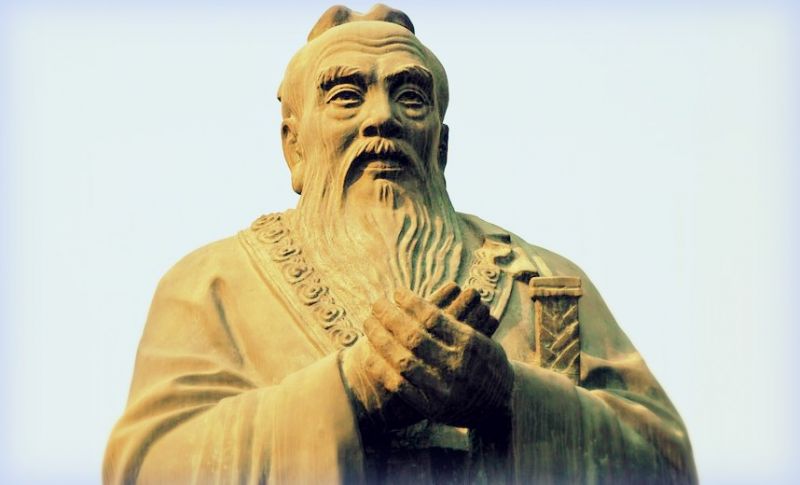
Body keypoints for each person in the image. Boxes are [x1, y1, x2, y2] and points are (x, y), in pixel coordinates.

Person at [104, 5, 697, 484]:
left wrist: (511, 396)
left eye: (410, 96)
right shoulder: (215, 284)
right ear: (294, 146)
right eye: (346, 96)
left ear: (441, 144)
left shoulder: (538, 279)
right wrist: (354, 388)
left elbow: (665, 464)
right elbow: (147, 467)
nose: (381, 118)